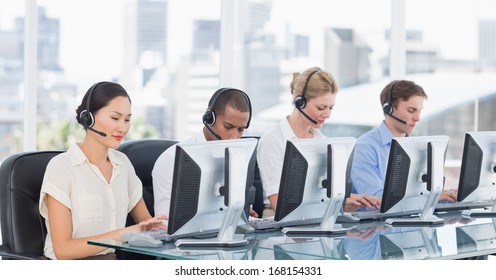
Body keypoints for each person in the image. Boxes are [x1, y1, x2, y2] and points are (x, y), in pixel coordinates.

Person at [39, 81, 166, 260]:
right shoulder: (61, 167)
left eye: (127, 119)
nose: (123, 128)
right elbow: (63, 251)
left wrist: (170, 230)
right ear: (88, 118)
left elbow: (146, 225)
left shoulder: (123, 164)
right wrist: (123, 234)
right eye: (115, 118)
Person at [257, 66, 381, 215]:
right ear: (300, 102)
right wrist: (335, 203)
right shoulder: (274, 140)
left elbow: (323, 200)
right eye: (321, 107)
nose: (327, 114)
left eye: (331, 108)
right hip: (280, 227)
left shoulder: (323, 142)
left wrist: (351, 202)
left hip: (316, 222)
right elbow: (280, 205)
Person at [351, 79, 457, 203]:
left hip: (410, 218)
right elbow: (376, 199)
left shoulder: (417, 147)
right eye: (411, 110)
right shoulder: (364, 147)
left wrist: (450, 196)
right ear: (388, 109)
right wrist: (429, 198)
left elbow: (424, 192)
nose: (417, 118)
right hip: (376, 221)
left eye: (419, 111)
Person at [152, 87, 252, 217]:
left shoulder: (239, 157)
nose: (234, 137)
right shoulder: (171, 159)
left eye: (241, 130)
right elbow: (164, 222)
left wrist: (239, 212)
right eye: (228, 127)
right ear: (209, 119)